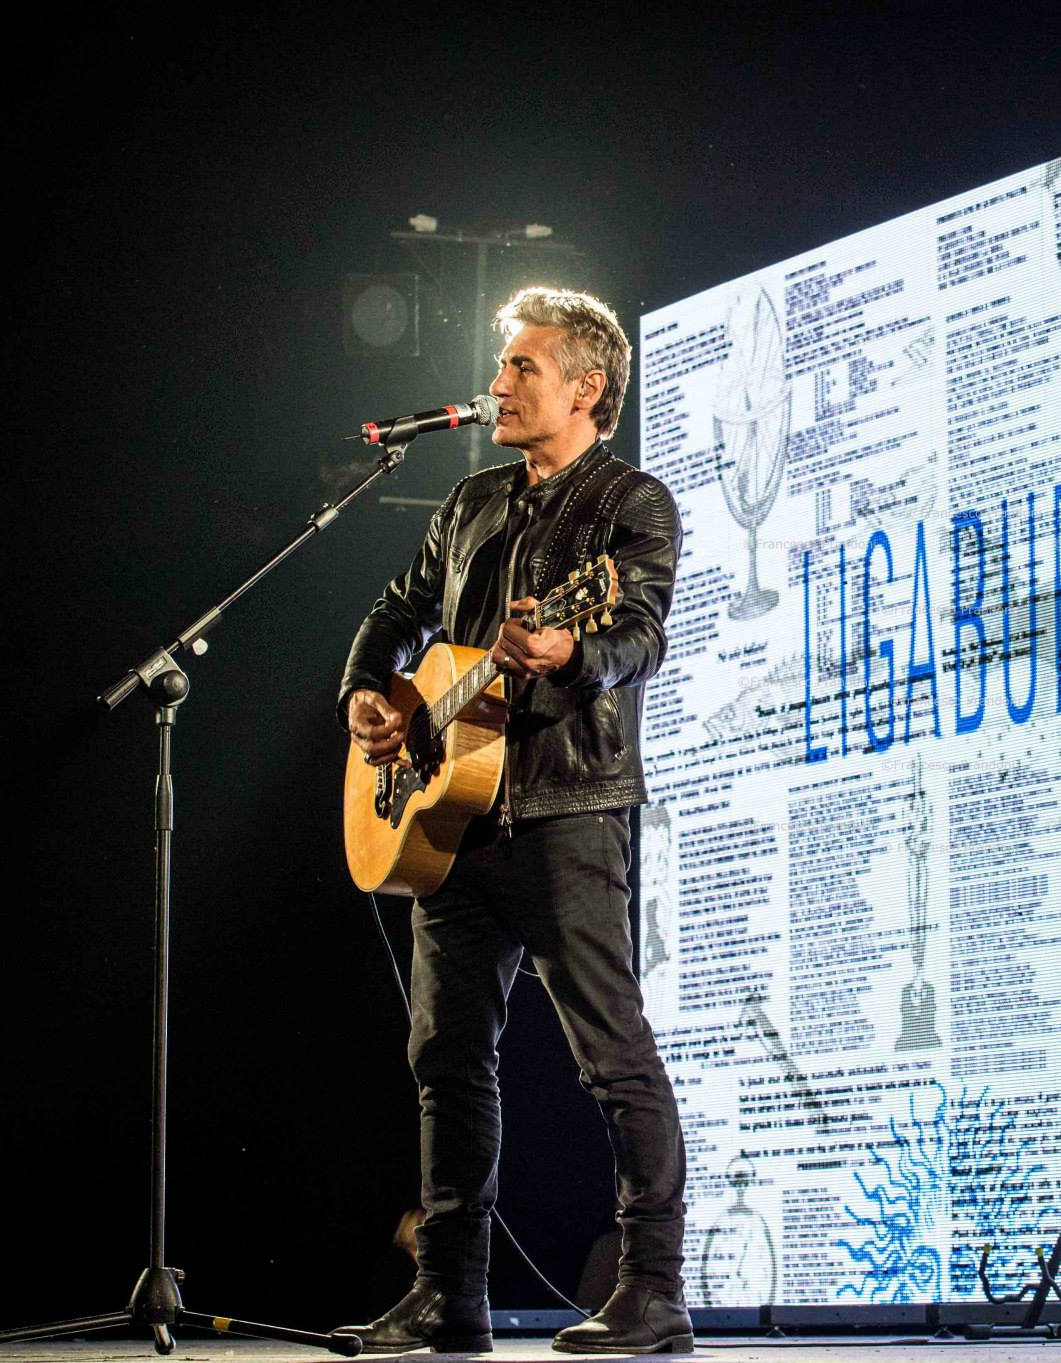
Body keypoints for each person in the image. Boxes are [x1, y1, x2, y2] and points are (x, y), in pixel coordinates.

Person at [335, 286, 692, 1355]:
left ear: (587, 387)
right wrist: (372, 691)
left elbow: (638, 635)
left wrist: (569, 653)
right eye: (501, 368)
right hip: (450, 831)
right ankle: (449, 1293)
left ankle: (653, 1287)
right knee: (444, 1056)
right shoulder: (470, 502)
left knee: (610, 1049)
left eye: (520, 367)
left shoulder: (632, 504)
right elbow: (395, 615)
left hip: (567, 811)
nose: (496, 384)